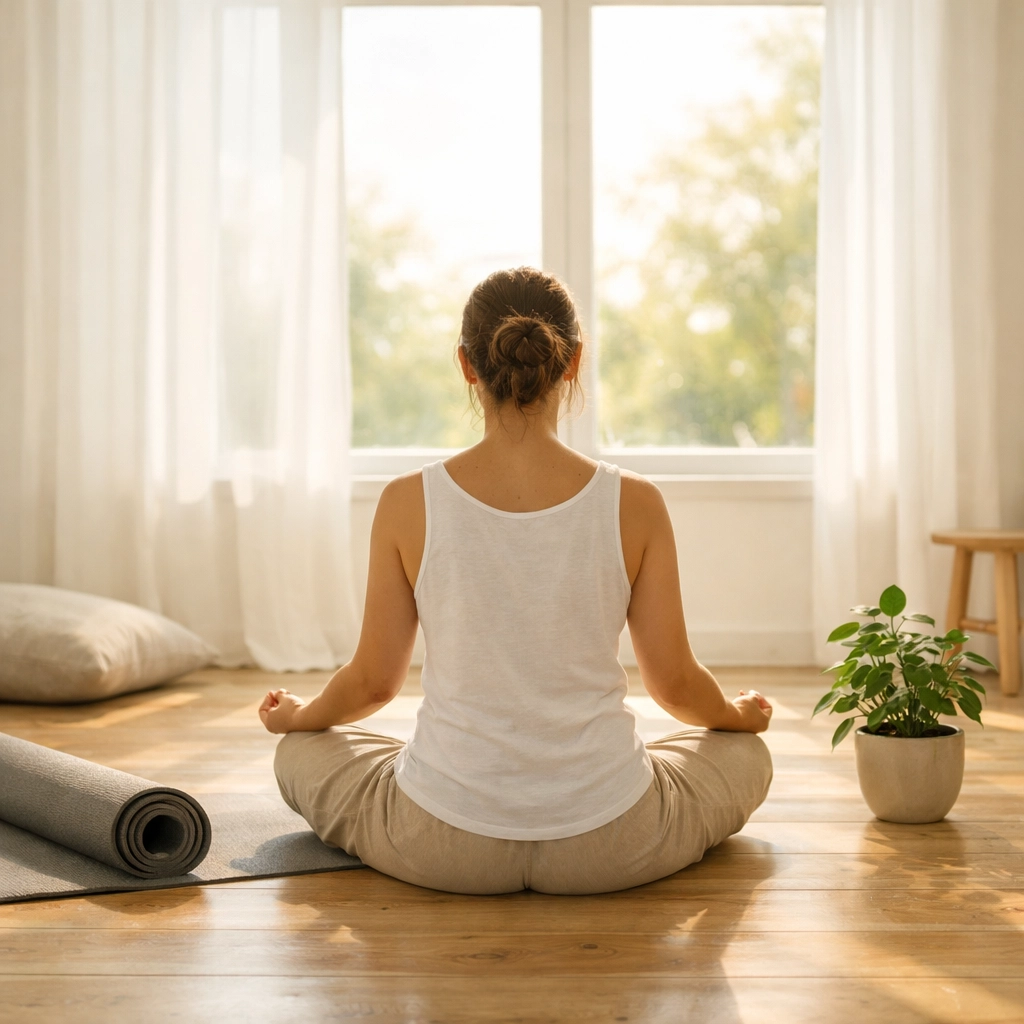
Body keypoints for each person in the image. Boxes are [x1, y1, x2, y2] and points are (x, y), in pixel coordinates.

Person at [259, 266, 773, 895]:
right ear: (574, 362)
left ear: (466, 366)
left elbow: (371, 684)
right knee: (745, 754)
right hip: (611, 842)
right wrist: (735, 715)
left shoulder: (404, 502)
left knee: (298, 752)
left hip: (440, 842)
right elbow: (675, 685)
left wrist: (302, 717)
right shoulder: (636, 502)